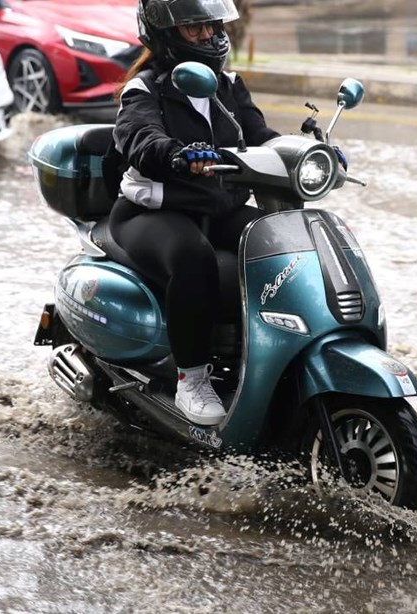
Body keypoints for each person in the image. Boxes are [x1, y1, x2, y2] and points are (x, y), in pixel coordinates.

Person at [108, 0, 280, 426]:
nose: (209, 36)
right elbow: (140, 138)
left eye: (212, 25)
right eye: (194, 28)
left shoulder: (228, 86)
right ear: (166, 34)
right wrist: (177, 154)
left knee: (280, 239)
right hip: (150, 212)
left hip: (217, 209)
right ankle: (192, 378)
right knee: (194, 257)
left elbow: (261, 137)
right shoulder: (144, 89)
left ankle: (264, 353)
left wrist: (308, 151)